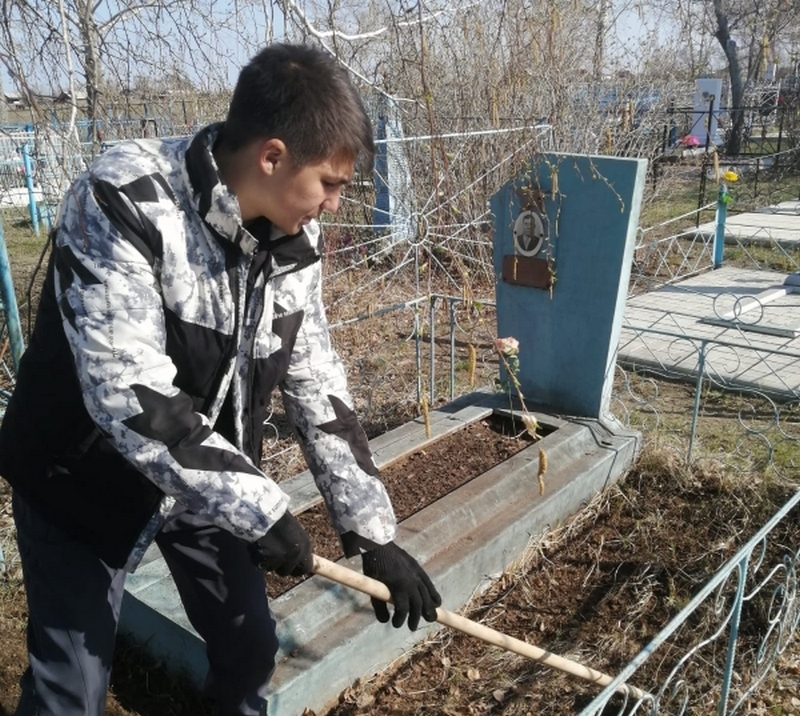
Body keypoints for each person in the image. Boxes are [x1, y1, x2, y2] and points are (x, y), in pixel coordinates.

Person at [0, 43, 441, 716]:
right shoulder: (124, 199)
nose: (333, 205)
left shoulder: (294, 243)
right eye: (328, 183)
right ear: (271, 157)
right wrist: (259, 509)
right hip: (80, 475)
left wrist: (371, 532)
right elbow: (130, 394)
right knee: (71, 687)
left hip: (202, 474)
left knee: (248, 646)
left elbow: (314, 381)